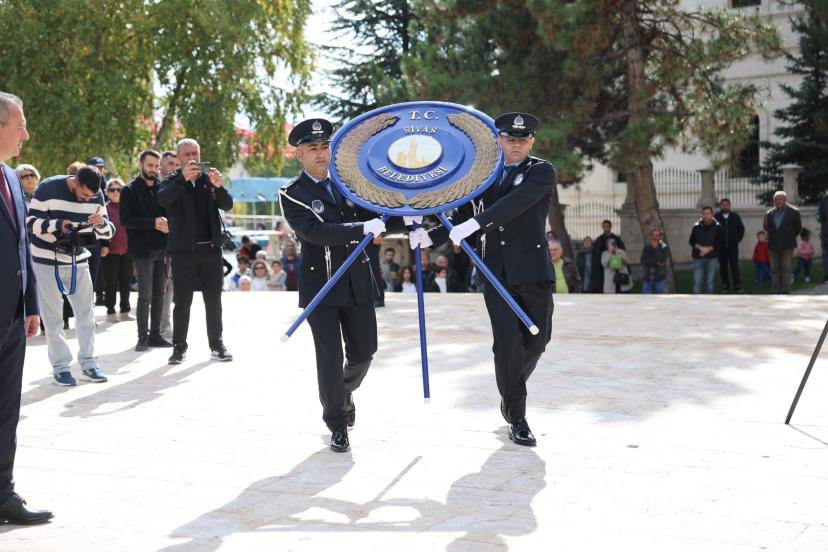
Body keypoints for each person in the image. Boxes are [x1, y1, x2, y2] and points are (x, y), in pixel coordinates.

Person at [411, 112, 555, 446]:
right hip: (495, 272)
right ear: (499, 140)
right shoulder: (483, 179)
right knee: (507, 344)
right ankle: (517, 416)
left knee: (537, 341)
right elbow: (461, 215)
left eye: (522, 140)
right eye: (510, 139)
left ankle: (509, 392)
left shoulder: (541, 172)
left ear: (531, 141)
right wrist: (432, 237)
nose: (516, 145)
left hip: (533, 271)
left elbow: (515, 205)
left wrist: (475, 226)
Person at [279, 118, 397, 453]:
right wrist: (362, 228)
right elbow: (315, 232)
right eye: (312, 148)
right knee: (329, 358)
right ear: (299, 154)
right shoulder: (293, 194)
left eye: (325, 146)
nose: (320, 153)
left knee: (364, 353)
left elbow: (384, 210)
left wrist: (413, 215)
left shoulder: (353, 184)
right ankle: (337, 422)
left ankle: (341, 391)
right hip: (322, 287)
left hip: (357, 281)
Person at [0, 91, 52, 525]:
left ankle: (3, 493)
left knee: (6, 410)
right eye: (20, 126)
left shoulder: (14, 179)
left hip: (13, 317)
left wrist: (31, 302)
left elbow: (23, 244)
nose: (26, 134)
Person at [27, 165, 114, 385]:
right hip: (47, 259)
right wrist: (57, 224)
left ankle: (89, 364)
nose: (87, 200)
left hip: (79, 258)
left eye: (91, 196)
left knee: (87, 315)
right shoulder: (48, 188)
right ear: (74, 181)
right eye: (84, 194)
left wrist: (102, 223)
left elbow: (108, 231)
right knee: (53, 317)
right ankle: (61, 368)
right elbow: (30, 224)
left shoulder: (96, 195)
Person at [157, 138, 234, 364]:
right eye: (187, 154)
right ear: (179, 158)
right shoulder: (172, 180)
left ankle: (217, 345)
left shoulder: (209, 179)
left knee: (214, 300)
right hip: (182, 252)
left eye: (195, 154)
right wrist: (182, 180)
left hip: (211, 250)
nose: (192, 158)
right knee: (182, 302)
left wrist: (219, 186)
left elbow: (227, 204)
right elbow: (162, 199)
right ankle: (179, 347)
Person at [120, 150, 172, 351]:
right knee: (145, 295)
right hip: (142, 250)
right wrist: (153, 223)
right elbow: (126, 220)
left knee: (160, 293)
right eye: (150, 165)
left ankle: (155, 335)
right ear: (141, 165)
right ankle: (142, 337)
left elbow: (171, 214)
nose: (154, 170)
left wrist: (169, 224)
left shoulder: (163, 187)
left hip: (162, 249)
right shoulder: (129, 190)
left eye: (157, 166)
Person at [100, 178, 133, 320]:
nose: (115, 192)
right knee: (111, 282)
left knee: (126, 281)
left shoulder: (129, 206)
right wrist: (103, 245)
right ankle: (111, 310)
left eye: (119, 189)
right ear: (107, 192)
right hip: (110, 251)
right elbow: (99, 229)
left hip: (128, 251)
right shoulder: (104, 208)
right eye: (112, 189)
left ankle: (125, 310)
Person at [763, 191, 801, 294]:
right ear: (773, 201)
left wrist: (789, 236)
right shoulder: (769, 213)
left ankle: (785, 290)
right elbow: (766, 227)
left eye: (780, 199)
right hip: (773, 244)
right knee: (774, 268)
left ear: (785, 200)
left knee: (786, 267)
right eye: (776, 199)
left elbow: (798, 228)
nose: (778, 201)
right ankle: (776, 290)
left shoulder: (794, 212)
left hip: (787, 244)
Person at [158, 150, 179, 340]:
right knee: (153, 289)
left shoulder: (180, 183)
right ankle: (154, 327)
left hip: (174, 244)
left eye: (175, 164)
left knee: (169, 286)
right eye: (169, 163)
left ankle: (165, 324)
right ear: (161, 165)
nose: (173, 167)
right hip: (152, 247)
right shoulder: (153, 184)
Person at [714, 198, 745, 293]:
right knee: (723, 267)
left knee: (734, 266)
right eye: (722, 204)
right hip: (721, 247)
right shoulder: (716, 217)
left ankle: (737, 286)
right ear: (720, 206)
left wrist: (737, 240)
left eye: (726, 204)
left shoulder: (735, 216)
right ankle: (725, 286)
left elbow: (741, 229)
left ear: (729, 205)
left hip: (733, 246)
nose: (724, 206)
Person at [689, 206, 722, 294]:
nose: (705, 216)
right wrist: (701, 248)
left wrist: (708, 249)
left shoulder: (718, 226)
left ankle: (708, 304)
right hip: (698, 258)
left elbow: (720, 241)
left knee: (709, 283)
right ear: (701, 215)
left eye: (708, 214)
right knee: (697, 283)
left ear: (712, 214)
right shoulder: (696, 226)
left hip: (712, 258)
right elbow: (692, 241)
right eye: (704, 214)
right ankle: (697, 303)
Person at [591, 220, 625, 293]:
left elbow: (623, 252)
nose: (606, 228)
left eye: (608, 226)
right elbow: (596, 254)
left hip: (617, 269)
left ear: (610, 227)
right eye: (604, 226)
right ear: (602, 227)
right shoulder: (599, 240)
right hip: (602, 269)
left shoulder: (617, 239)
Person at [640, 228, 669, 294]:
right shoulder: (647, 247)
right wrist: (656, 262)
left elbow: (662, 260)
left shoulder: (664, 247)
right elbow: (643, 261)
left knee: (661, 302)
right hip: (647, 279)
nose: (655, 237)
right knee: (646, 302)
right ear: (651, 236)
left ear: (660, 237)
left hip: (659, 280)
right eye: (653, 235)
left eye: (657, 235)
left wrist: (655, 248)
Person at [816, 192, 828, 283]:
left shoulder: (824, 200)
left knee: (826, 255)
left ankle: (826, 276)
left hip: (826, 231)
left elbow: (820, 217)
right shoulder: (824, 200)